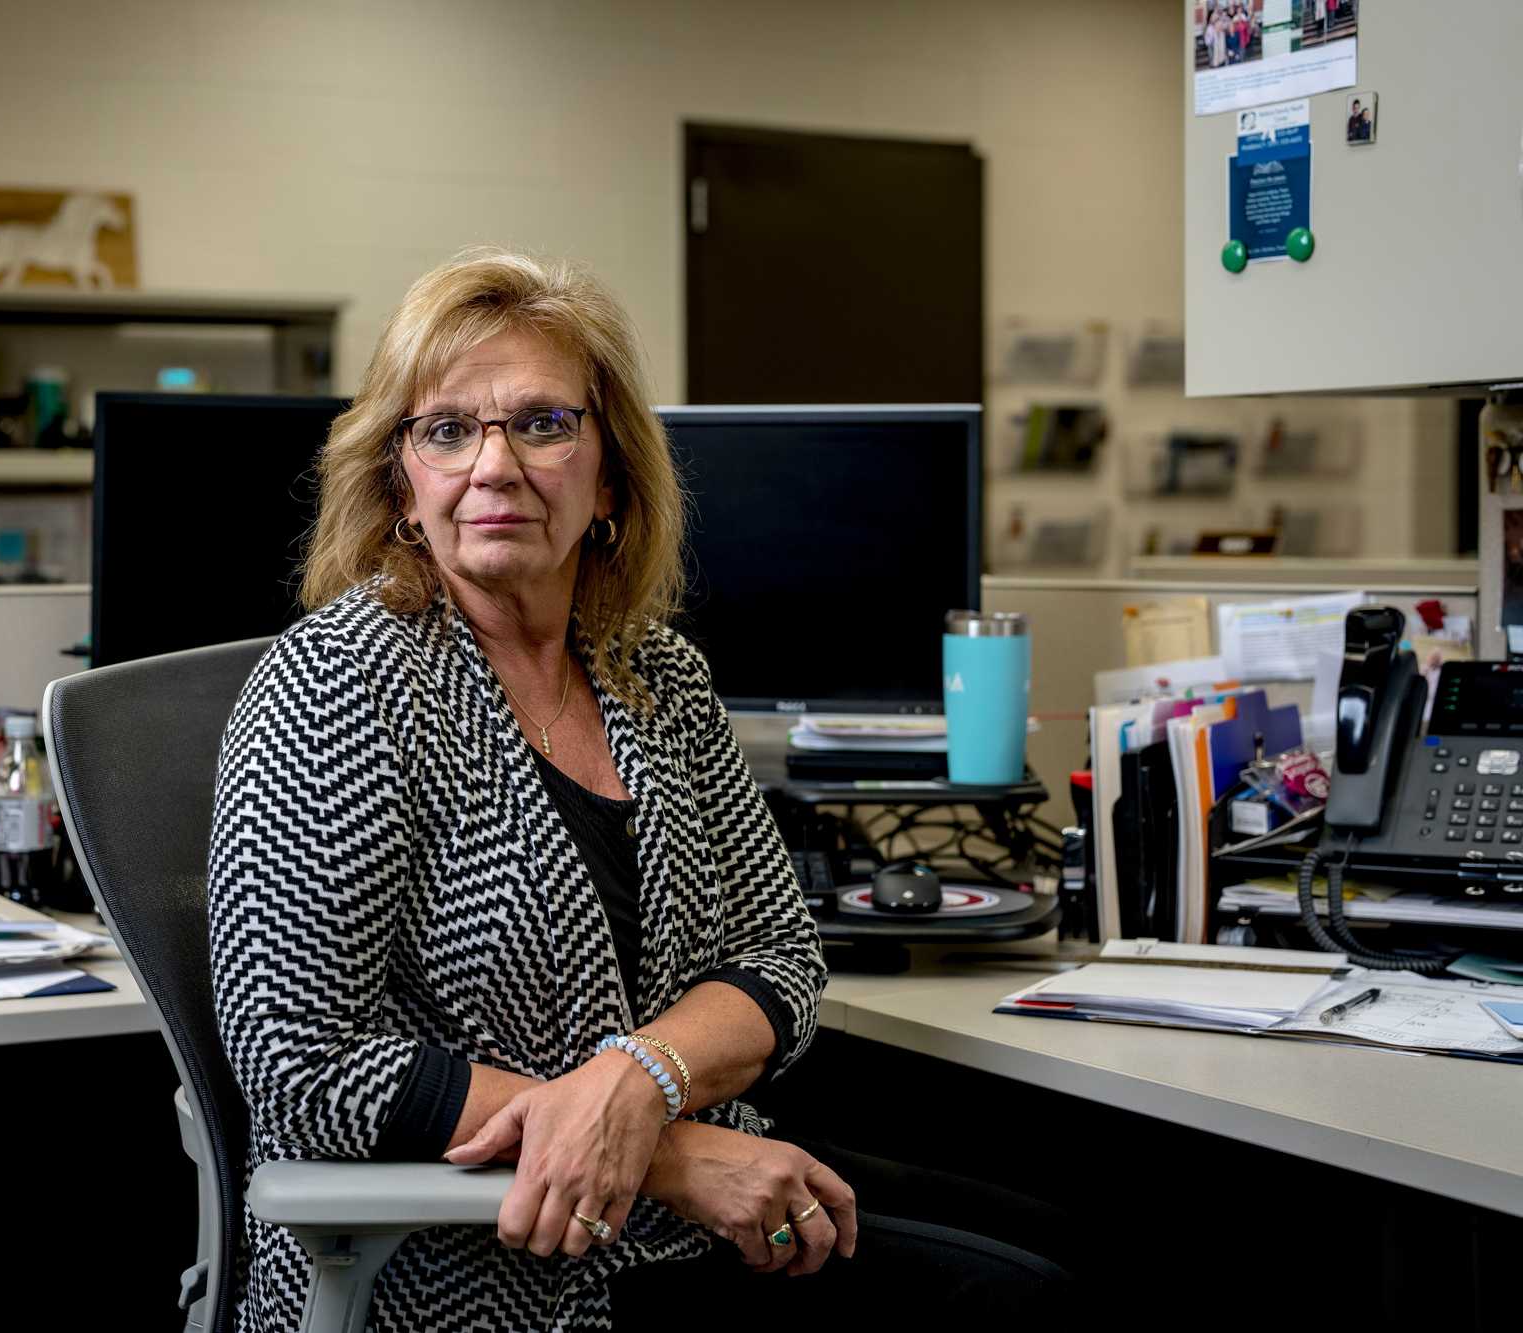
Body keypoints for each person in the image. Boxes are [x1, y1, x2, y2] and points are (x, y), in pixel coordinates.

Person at [209, 249, 1072, 1331]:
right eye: (445, 430)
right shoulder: (336, 684)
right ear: (398, 482)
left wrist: (637, 1080)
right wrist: (664, 1157)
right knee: (1021, 1299)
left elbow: (778, 959)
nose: (494, 466)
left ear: (610, 474)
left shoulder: (652, 672)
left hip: (669, 1218)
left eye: (540, 423)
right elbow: (302, 1066)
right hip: (478, 1267)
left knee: (1067, 1224)